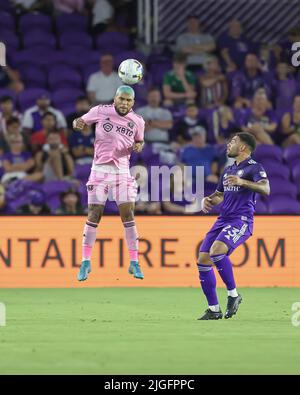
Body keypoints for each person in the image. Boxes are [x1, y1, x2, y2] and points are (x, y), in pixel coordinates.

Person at [73, 85, 145, 281]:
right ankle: (86, 262)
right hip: (100, 171)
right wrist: (77, 123)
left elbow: (140, 141)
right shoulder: (100, 111)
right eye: (121, 99)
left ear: (133, 103)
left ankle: (134, 262)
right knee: (95, 214)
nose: (124, 103)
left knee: (128, 215)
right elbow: (79, 121)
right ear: (115, 98)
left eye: (128, 100)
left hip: (122, 172)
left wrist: (139, 145)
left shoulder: (137, 121)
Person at [198, 132, 270, 320]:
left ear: (243, 147)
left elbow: (265, 188)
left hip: (241, 220)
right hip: (223, 219)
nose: (228, 144)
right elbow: (220, 194)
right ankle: (214, 309)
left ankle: (233, 295)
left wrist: (243, 182)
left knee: (216, 251)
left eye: (233, 142)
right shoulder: (228, 169)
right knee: (203, 260)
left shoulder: (254, 168)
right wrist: (209, 200)